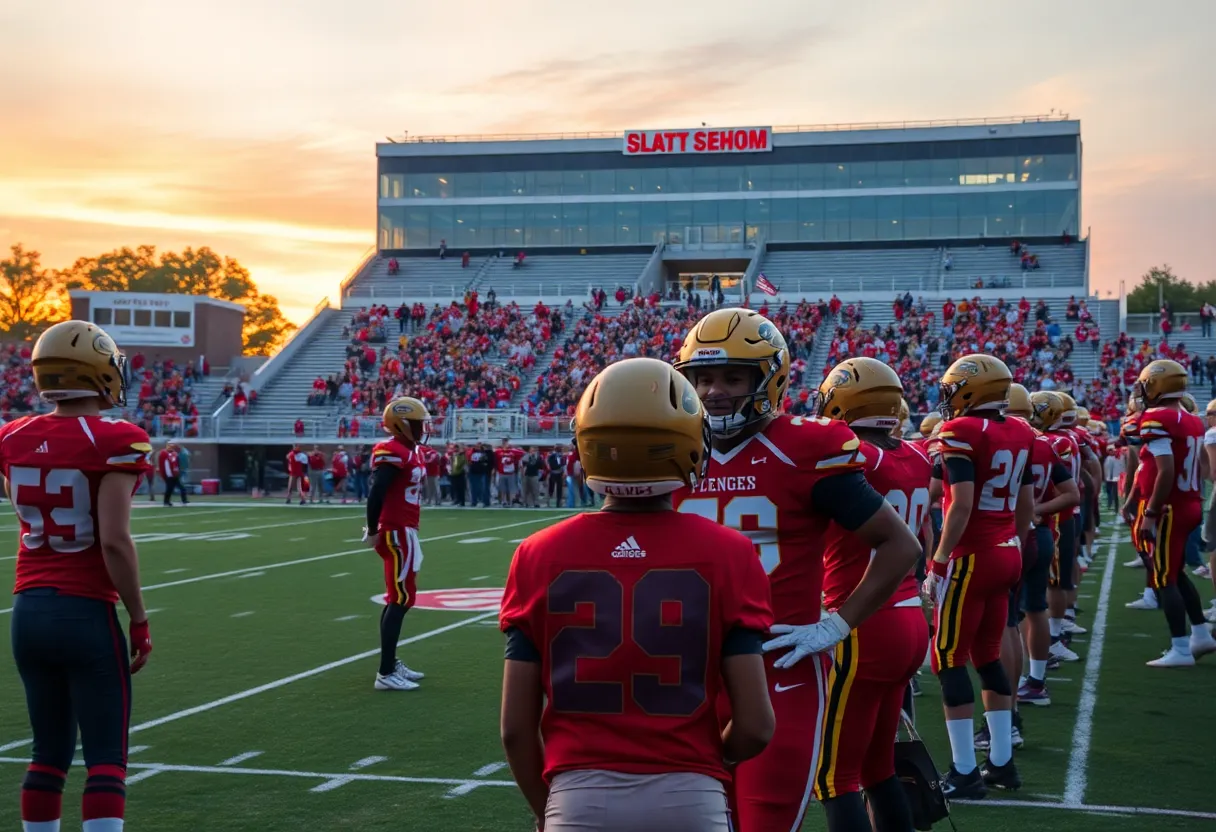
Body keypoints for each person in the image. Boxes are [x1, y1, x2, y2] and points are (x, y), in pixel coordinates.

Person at [499, 358, 775, 832]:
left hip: (578, 797)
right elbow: (755, 726)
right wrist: (705, 762)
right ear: (689, 441)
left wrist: (546, 810)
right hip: (690, 795)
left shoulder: (537, 553)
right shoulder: (730, 552)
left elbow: (515, 730)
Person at [671, 308, 920, 832]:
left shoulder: (807, 447)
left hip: (776, 669)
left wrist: (837, 624)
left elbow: (900, 546)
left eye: (732, 377)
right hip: (687, 671)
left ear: (770, 378)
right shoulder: (675, 449)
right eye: (704, 377)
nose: (714, 391)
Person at [5, 320, 154, 832]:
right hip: (84, 610)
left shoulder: (12, 435)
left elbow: (24, 507)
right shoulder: (116, 439)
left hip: (27, 611)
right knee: (106, 760)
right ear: (98, 373)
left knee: (47, 754)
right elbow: (113, 539)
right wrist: (138, 617)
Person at [810, 358, 930, 832]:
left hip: (863, 620)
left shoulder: (856, 454)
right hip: (907, 616)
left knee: (835, 777)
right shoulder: (917, 455)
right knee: (878, 768)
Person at [925, 354, 1035, 798]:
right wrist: (1014, 543)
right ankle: (1003, 764)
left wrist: (938, 560)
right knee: (987, 654)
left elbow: (963, 504)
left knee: (947, 658)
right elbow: (1025, 503)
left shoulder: (960, 432)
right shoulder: (1022, 431)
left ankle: (965, 772)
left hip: (971, 556)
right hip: (1007, 550)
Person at [1131, 360, 1216, 666]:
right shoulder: (1193, 419)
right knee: (1175, 574)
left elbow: (1165, 471)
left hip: (1169, 507)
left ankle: (1180, 649)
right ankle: (1200, 634)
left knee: (1163, 577)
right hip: (1189, 501)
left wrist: (1151, 511)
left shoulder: (1156, 417)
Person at [1007, 387, 1078, 714]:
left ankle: (1009, 697)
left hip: (1010, 538)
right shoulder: (1045, 444)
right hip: (1043, 533)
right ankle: (1035, 681)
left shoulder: (1001, 439)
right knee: (1033, 610)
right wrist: (1039, 506)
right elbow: (1072, 493)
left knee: (1008, 619)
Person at [364, 398, 431, 691]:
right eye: (416, 423)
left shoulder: (410, 451)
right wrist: (373, 528)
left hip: (405, 529)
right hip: (396, 530)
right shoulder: (391, 450)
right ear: (400, 424)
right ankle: (386, 672)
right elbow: (377, 490)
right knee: (402, 598)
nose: (422, 428)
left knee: (399, 597)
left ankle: (390, 664)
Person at [158, 442, 188, 506]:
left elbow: (177, 464)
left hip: (175, 474)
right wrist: (166, 475)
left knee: (181, 487)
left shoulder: (174, 454)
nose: (171, 448)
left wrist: (177, 472)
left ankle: (184, 500)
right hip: (169, 475)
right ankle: (166, 501)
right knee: (169, 489)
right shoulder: (164, 454)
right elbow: (164, 465)